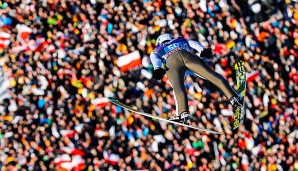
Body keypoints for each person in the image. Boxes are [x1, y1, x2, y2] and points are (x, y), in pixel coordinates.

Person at [150, 33, 243, 124]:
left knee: (178, 88)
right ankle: (233, 97)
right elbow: (192, 43)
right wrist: (202, 49)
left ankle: (182, 113)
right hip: (187, 55)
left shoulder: (157, 49)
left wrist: (157, 68)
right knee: (212, 75)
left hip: (171, 62)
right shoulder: (178, 39)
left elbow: (155, 59)